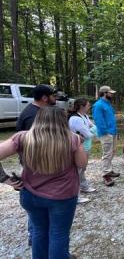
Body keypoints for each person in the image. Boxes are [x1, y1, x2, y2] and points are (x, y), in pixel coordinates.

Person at [0, 107, 87, 259]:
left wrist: (5, 179)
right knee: (58, 234)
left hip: (30, 195)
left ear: (39, 118)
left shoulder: (23, 137)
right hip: (62, 196)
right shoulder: (72, 139)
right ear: (63, 121)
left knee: (39, 231)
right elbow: (81, 164)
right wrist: (81, 145)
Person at [16, 84, 57, 246]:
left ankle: (37, 237)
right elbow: (37, 146)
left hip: (39, 167)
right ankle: (36, 237)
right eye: (53, 95)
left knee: (39, 208)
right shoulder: (33, 117)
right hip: (37, 168)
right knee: (39, 208)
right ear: (45, 98)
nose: (56, 98)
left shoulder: (36, 112)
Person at [69, 98, 97, 203]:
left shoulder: (84, 116)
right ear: (82, 106)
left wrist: (90, 130)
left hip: (86, 146)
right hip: (78, 147)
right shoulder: (75, 119)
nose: (89, 107)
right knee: (77, 170)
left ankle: (83, 186)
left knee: (82, 169)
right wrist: (91, 130)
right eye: (88, 105)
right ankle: (75, 195)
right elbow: (89, 134)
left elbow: (92, 127)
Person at [92, 85, 120, 187]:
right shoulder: (98, 105)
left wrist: (115, 131)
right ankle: (105, 175)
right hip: (106, 133)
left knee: (112, 152)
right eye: (110, 93)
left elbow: (111, 119)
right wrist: (106, 132)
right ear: (104, 93)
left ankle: (109, 170)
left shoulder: (108, 104)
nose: (112, 94)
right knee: (107, 153)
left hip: (112, 132)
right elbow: (98, 121)